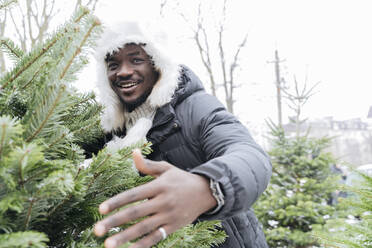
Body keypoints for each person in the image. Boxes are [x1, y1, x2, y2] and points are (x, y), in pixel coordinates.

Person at [89, 21, 272, 248]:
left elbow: (251, 155)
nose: (124, 72)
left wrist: (208, 186)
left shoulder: (194, 107)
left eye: (136, 60)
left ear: (158, 64)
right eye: (113, 64)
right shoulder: (111, 129)